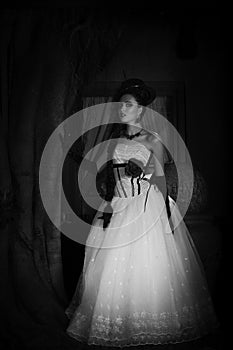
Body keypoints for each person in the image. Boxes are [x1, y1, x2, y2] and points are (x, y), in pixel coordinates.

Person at [65, 79, 218, 347]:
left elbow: (159, 175)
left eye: (128, 105)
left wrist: (164, 210)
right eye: (121, 105)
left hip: (145, 203)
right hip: (119, 202)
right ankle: (115, 320)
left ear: (140, 111)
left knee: (149, 259)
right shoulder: (115, 141)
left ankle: (149, 321)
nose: (122, 109)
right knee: (106, 257)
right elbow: (112, 174)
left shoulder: (152, 139)